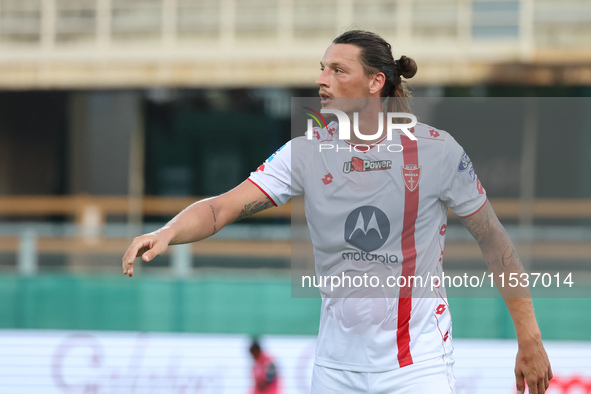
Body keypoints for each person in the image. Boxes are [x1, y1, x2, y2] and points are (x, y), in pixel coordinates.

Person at [123, 30, 552, 393]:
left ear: (375, 82)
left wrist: (528, 336)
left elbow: (494, 240)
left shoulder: (436, 151)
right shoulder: (306, 152)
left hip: (417, 368)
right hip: (334, 370)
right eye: (322, 68)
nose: (321, 80)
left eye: (337, 70)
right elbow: (222, 208)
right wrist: (167, 232)